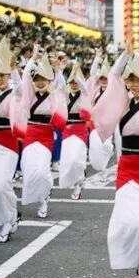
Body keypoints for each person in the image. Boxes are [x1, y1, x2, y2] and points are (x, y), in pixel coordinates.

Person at [90, 38, 139, 278]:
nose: (135, 85)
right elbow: (113, 79)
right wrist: (125, 55)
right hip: (127, 167)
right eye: (131, 80)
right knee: (125, 221)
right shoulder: (122, 103)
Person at [18, 45, 68, 219]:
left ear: (49, 80)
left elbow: (61, 86)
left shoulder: (54, 94)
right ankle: (39, 198)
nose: (40, 82)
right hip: (30, 133)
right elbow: (24, 77)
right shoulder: (29, 93)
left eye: (44, 79)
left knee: (42, 171)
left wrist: (56, 69)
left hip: (46, 134)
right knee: (29, 169)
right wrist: (32, 59)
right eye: (37, 79)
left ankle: (44, 197)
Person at [0, 35, 22, 242]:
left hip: (7, 144)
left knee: (0, 185)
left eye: (3, 75)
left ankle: (9, 219)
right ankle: (9, 217)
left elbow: (21, 86)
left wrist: (14, 67)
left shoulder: (14, 92)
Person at [59, 63, 90, 200]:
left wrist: (76, 74)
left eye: (75, 81)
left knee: (76, 159)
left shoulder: (84, 93)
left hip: (80, 129)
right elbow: (59, 85)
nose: (73, 84)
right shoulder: (65, 94)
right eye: (70, 82)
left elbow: (83, 86)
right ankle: (77, 180)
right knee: (67, 160)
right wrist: (58, 70)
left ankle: (79, 181)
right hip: (67, 130)